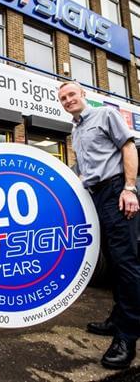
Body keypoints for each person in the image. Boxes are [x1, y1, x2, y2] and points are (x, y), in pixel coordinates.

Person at [58, 81, 140, 370]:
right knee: (112, 263)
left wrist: (129, 189)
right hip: (95, 197)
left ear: (83, 95)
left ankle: (127, 337)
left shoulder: (105, 114)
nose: (68, 100)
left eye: (72, 95)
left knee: (125, 263)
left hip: (116, 191)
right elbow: (85, 169)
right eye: (63, 98)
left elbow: (128, 148)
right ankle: (118, 319)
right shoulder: (76, 129)